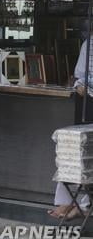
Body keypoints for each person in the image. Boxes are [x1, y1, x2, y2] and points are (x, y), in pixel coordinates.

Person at [48, 39, 92, 219]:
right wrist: (80, 86)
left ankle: (85, 205)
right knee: (78, 151)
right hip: (89, 103)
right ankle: (68, 201)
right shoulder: (89, 43)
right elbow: (80, 74)